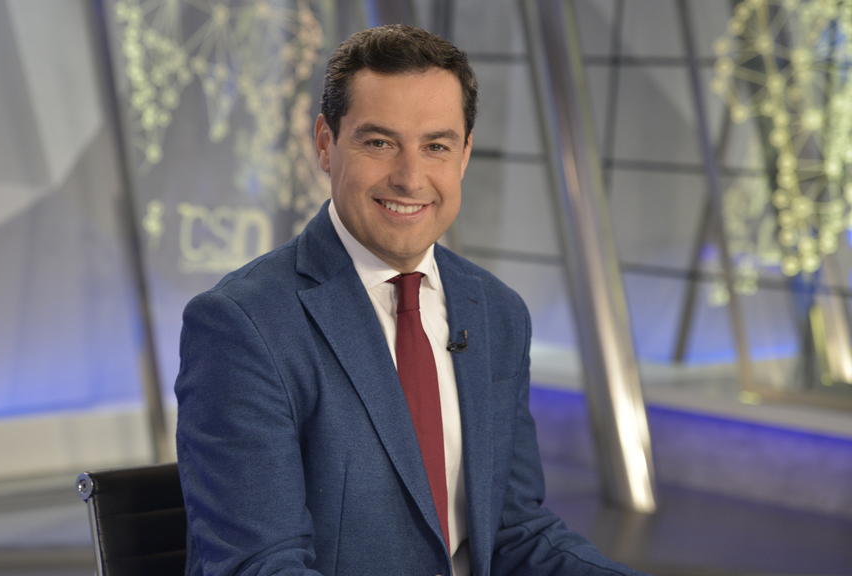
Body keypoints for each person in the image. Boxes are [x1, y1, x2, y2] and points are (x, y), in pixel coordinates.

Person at [175, 24, 647, 576]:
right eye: (379, 143)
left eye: (436, 147)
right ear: (325, 144)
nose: (409, 178)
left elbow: (514, 530)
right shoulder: (241, 325)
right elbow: (262, 565)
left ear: (464, 155)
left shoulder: (497, 313)